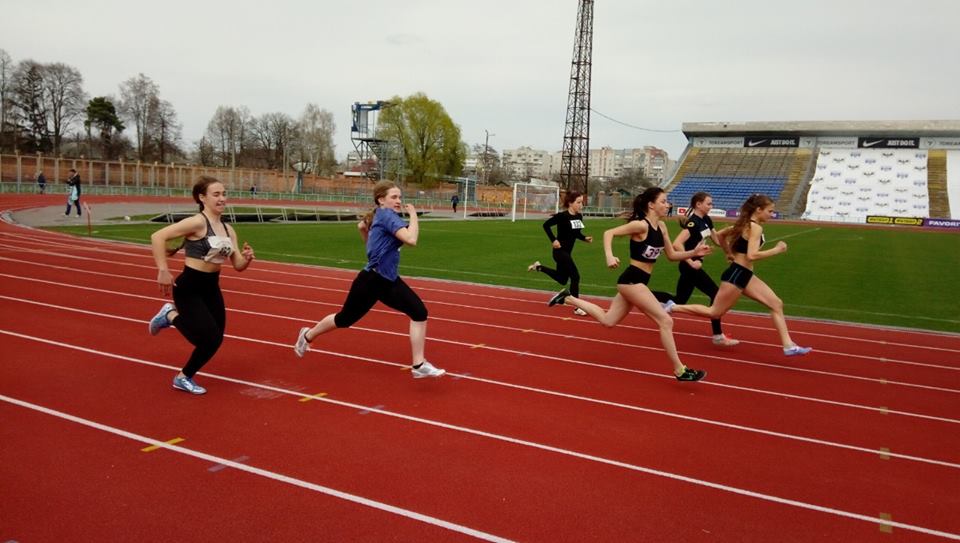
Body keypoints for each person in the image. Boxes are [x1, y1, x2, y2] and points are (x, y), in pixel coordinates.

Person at [547, 187, 711, 382]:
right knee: (665, 321)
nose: (668, 205)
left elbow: (672, 255)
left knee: (608, 321)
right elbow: (609, 233)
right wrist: (609, 256)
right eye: (664, 201)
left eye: (667, 202)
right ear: (651, 204)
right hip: (632, 280)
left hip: (637, 282)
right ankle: (680, 370)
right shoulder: (640, 226)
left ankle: (568, 297)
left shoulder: (663, 228)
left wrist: (693, 253)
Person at [294, 180, 445, 379]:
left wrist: (373, 249)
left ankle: (419, 365)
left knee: (419, 312)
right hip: (372, 281)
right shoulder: (388, 216)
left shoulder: (379, 216)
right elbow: (411, 239)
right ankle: (307, 335)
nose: (399, 201)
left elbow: (361, 227)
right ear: (381, 199)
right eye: (394, 197)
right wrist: (414, 215)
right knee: (344, 319)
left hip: (386, 279)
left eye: (400, 197)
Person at [147, 176, 256, 395]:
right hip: (189, 286)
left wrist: (247, 258)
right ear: (202, 198)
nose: (222, 198)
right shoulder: (197, 222)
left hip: (211, 287)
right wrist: (163, 269)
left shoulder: (228, 229)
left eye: (224, 194)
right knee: (208, 338)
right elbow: (157, 236)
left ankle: (172, 324)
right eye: (216, 194)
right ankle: (181, 370)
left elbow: (238, 266)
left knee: (216, 339)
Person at [670, 194, 813, 357]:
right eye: (770, 211)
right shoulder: (754, 227)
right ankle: (672, 307)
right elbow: (751, 255)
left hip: (745, 274)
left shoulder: (743, 224)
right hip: (737, 274)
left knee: (776, 303)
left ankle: (788, 345)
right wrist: (777, 250)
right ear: (758, 210)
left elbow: (721, 237)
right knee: (714, 312)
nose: (771, 215)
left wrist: (729, 253)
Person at [668, 192, 739, 346]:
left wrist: (732, 231)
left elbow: (717, 239)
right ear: (698, 204)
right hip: (690, 266)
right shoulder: (693, 223)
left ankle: (643, 296)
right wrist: (691, 261)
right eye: (708, 203)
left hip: (694, 266)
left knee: (679, 299)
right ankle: (718, 336)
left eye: (711, 203)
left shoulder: (706, 219)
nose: (711, 206)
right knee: (715, 293)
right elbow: (677, 244)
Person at [527, 191, 593, 316]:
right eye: (578, 202)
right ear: (570, 203)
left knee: (562, 279)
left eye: (582, 203)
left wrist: (584, 238)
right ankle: (577, 307)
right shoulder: (562, 216)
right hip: (559, 252)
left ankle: (538, 267)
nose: (581, 205)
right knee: (575, 276)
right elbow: (546, 225)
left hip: (567, 252)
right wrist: (554, 240)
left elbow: (576, 233)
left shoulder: (579, 217)